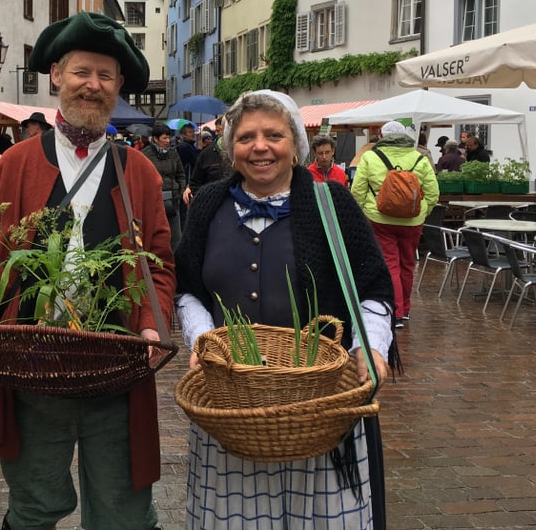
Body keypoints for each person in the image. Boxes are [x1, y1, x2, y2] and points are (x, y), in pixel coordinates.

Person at [0, 11, 176, 530]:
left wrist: (153, 321)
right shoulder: (17, 162)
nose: (93, 86)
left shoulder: (138, 170)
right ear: (57, 77)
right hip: (31, 363)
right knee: (35, 506)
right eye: (82, 72)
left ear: (117, 88)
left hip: (116, 366)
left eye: (105, 76)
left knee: (123, 513)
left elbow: (158, 260)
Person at [175, 89, 395, 530]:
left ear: (296, 144)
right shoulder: (208, 205)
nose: (260, 146)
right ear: (230, 147)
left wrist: (370, 349)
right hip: (233, 404)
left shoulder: (333, 203)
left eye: (274, 134)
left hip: (321, 406)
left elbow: (374, 289)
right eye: (246, 136)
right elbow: (186, 290)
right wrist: (202, 339)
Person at [352, 120, 439, 329]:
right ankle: (405, 309)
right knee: (408, 264)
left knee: (390, 263)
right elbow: (434, 192)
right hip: (412, 221)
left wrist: (368, 212)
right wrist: (421, 212)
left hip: (380, 219)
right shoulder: (419, 158)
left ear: (381, 136)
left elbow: (357, 191)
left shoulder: (370, 157)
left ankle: (396, 311)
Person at [141, 123, 187, 247]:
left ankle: (176, 264)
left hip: (173, 200)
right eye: (164, 138)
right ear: (155, 139)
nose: (168, 141)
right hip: (154, 202)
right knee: (155, 237)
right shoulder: (144, 155)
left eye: (169, 138)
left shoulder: (173, 153)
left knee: (175, 237)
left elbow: (181, 174)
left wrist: (180, 190)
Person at [184, 115, 231, 206]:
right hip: (212, 206)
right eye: (217, 130)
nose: (217, 133)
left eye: (219, 130)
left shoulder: (241, 152)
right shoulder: (206, 153)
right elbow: (195, 182)